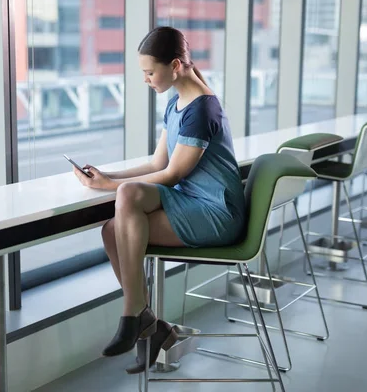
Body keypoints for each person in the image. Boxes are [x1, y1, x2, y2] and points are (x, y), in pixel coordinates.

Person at [71, 26, 246, 374]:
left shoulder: (202, 109)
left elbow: (171, 174)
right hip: (190, 204)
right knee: (111, 232)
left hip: (215, 213)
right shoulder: (177, 101)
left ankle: (134, 314)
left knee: (129, 197)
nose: (146, 80)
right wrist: (108, 177)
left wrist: (112, 187)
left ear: (176, 65)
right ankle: (149, 324)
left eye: (150, 72)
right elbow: (156, 162)